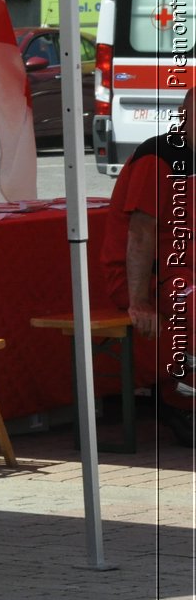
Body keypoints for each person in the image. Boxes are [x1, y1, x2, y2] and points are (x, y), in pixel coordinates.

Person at [102, 88, 196, 445]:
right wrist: (139, 301)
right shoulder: (158, 158)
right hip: (148, 274)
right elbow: (141, 235)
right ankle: (181, 404)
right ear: (185, 118)